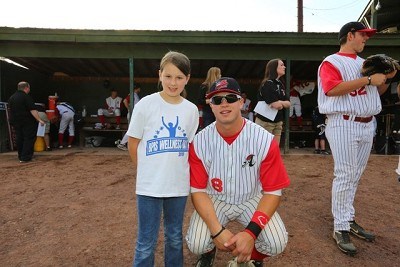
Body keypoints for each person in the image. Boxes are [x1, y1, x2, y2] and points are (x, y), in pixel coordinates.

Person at [186, 77, 290, 267]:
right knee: (197, 243)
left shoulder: (263, 139)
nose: (224, 104)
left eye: (230, 98)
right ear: (211, 105)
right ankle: (209, 251)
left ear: (241, 101)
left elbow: (273, 192)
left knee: (276, 242)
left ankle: (252, 256)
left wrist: (250, 233)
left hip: (251, 198)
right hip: (215, 198)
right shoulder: (199, 141)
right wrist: (217, 232)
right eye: (217, 100)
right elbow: (198, 191)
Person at [317, 21, 397, 256]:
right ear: (350, 35)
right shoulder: (331, 62)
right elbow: (332, 88)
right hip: (343, 122)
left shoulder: (365, 64)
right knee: (344, 174)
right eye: (363, 35)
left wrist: (386, 78)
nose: (366, 39)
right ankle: (340, 227)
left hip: (366, 123)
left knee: (355, 175)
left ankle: (348, 219)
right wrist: (369, 80)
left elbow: (374, 90)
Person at [127, 51, 199, 267]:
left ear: (187, 78)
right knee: (146, 241)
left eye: (179, 77)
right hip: (149, 187)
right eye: (168, 76)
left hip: (177, 186)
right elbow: (133, 143)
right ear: (159, 75)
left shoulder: (191, 110)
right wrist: (147, 172)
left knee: (175, 238)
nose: (173, 82)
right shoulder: (145, 105)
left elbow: (190, 146)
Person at [255, 59, 291, 145]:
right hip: (265, 121)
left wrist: (280, 102)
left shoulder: (280, 84)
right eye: (281, 65)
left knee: (275, 149)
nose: (284, 67)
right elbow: (276, 105)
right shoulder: (267, 84)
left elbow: (288, 103)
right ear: (274, 68)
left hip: (278, 121)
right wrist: (281, 103)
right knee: (265, 149)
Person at [8, 81, 45, 163]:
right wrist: (39, 119)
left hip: (15, 121)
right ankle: (26, 157)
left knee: (19, 138)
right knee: (29, 138)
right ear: (26, 88)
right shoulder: (26, 97)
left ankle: (21, 156)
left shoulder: (12, 97)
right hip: (27, 121)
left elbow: (10, 110)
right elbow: (32, 110)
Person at [116, 83, 141, 151]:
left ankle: (124, 144)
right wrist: (129, 109)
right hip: (132, 114)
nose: (140, 89)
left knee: (134, 130)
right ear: (137, 88)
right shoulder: (132, 94)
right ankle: (122, 144)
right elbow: (125, 101)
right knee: (131, 130)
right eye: (139, 88)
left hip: (134, 114)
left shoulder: (135, 95)